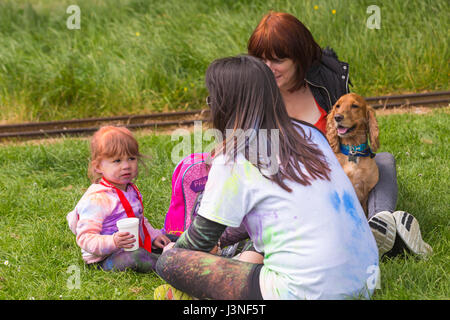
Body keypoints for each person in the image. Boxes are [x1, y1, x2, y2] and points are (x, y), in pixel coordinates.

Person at [154, 55, 379, 300]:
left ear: (224, 105)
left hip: (308, 291)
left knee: (171, 261)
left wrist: (172, 250)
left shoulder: (235, 157)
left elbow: (200, 240)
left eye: (211, 101)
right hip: (364, 280)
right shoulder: (310, 133)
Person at [219, 11, 432, 258]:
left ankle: (378, 225)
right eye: (262, 60)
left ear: (298, 58)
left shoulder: (326, 82)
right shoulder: (253, 95)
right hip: (289, 191)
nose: (268, 68)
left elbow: (354, 130)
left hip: (336, 178)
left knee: (382, 161)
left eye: (278, 60)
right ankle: (372, 238)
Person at [66, 126, 171, 272]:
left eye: (131, 158)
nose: (126, 166)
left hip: (133, 246)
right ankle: (172, 266)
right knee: (137, 257)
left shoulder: (128, 188)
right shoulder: (98, 199)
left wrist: (153, 236)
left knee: (169, 237)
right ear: (98, 167)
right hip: (106, 258)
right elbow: (85, 238)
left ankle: (186, 252)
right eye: (117, 161)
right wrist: (113, 241)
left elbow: (140, 219)